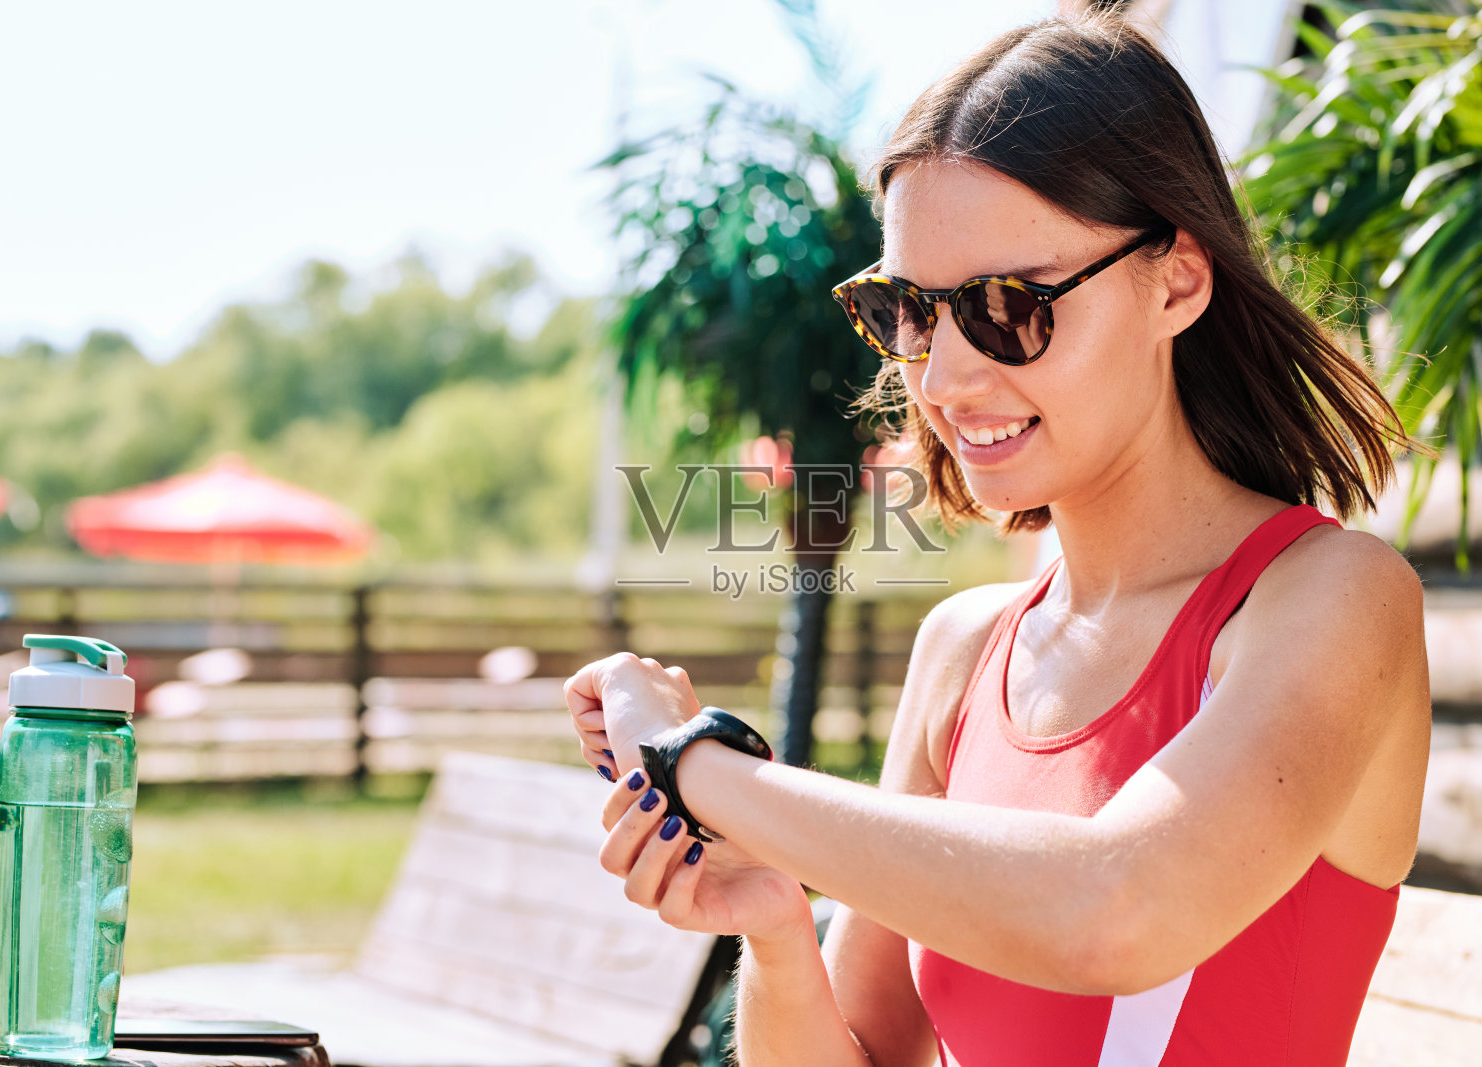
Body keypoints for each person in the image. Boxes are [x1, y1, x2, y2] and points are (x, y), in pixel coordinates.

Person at [564, 13, 1431, 1066]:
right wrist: (780, 927)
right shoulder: (966, 647)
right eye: (907, 310)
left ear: (1178, 280)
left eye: (1007, 305)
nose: (942, 374)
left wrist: (699, 764)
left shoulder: (1330, 597)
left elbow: (1115, 906)